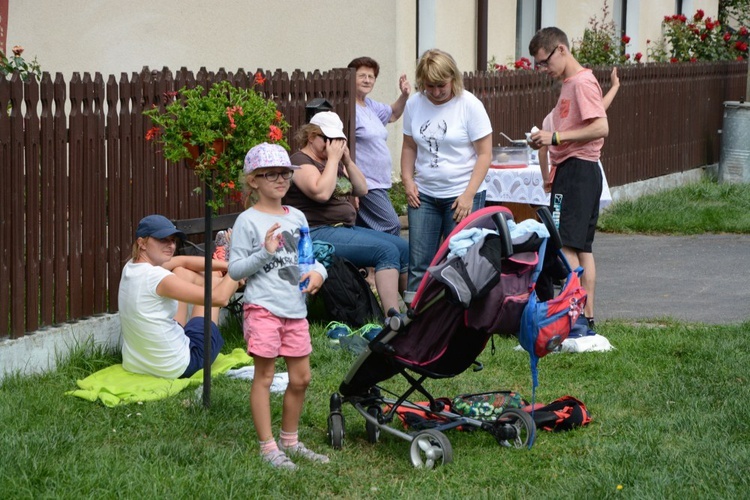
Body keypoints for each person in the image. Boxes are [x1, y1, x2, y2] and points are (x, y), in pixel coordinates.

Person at [227, 142, 329, 470]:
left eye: (284, 173)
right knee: (266, 375)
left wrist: (318, 273)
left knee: (300, 379)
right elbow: (235, 270)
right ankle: (268, 447)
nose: (280, 179)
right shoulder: (247, 220)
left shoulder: (297, 216)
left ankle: (290, 440)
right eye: (270, 174)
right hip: (263, 309)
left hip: (295, 310)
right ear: (253, 181)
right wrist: (265, 252)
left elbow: (308, 260)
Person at [283, 111, 409, 315]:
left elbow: (362, 189)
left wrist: (347, 161)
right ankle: (392, 319)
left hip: (343, 228)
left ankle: (415, 312)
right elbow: (321, 193)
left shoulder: (333, 161)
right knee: (386, 251)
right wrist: (333, 160)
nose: (334, 145)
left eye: (338, 140)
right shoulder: (300, 161)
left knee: (403, 247)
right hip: (316, 232)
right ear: (311, 136)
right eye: (328, 139)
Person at [529, 27, 609, 335]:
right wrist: (546, 141)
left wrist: (557, 137)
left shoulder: (581, 83)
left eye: (545, 61)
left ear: (561, 50)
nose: (544, 69)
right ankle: (585, 319)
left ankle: (573, 319)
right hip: (576, 172)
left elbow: (601, 126)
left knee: (567, 246)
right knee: (581, 248)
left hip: (578, 173)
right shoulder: (569, 84)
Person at [399, 48, 493, 304]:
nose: (437, 92)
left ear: (453, 78)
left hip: (462, 194)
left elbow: (484, 155)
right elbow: (409, 146)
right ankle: (416, 318)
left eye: (442, 85)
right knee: (419, 263)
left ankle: (457, 317)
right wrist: (408, 181)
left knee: (459, 258)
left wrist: (468, 196)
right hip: (424, 195)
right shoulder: (414, 104)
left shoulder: (469, 105)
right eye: (430, 86)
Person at [118, 214, 241, 379]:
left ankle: (220, 273)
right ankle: (222, 277)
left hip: (137, 363)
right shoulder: (157, 278)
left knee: (181, 272)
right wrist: (239, 267)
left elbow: (181, 261)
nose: (171, 245)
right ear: (142, 243)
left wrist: (227, 266)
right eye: (163, 240)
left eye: (173, 240)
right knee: (213, 287)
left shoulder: (131, 266)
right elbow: (220, 299)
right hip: (179, 365)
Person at [347, 56, 411, 236]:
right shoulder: (348, 108)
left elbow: (392, 114)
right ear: (351, 78)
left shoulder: (369, 105)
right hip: (365, 182)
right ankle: (388, 260)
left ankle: (370, 262)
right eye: (362, 76)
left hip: (379, 181)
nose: (367, 80)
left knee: (364, 229)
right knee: (390, 225)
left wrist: (404, 95)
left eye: (371, 76)